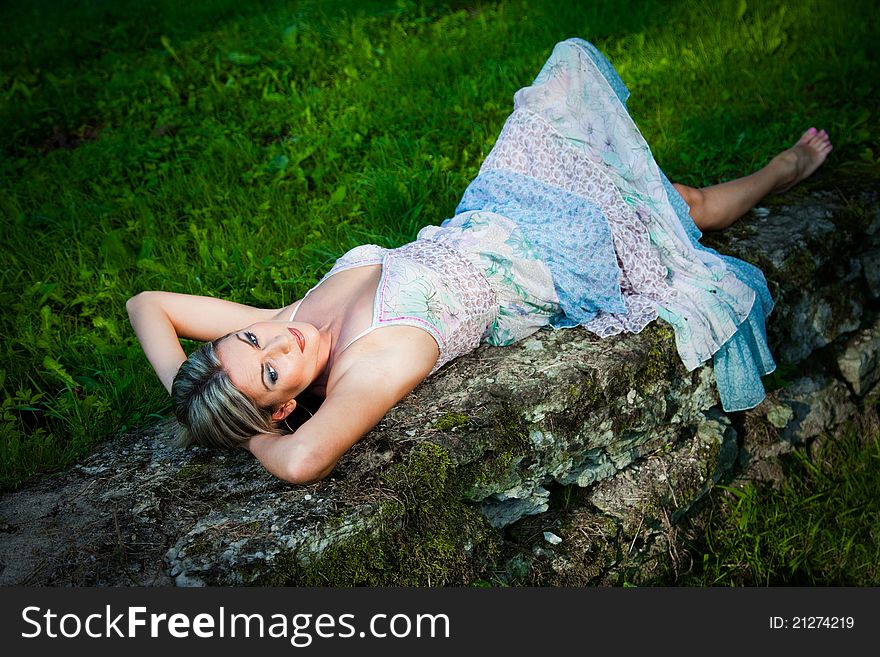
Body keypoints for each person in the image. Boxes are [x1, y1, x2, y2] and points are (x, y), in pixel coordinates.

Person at [127, 39, 832, 484]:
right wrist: (251, 432)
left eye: (250, 341)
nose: (278, 340)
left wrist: (194, 395)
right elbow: (304, 460)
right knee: (687, 206)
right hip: (556, 258)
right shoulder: (370, 366)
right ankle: (783, 168)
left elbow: (147, 305)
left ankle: (754, 175)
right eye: (272, 370)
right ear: (282, 407)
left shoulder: (291, 323)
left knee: (568, 64)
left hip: (494, 206)